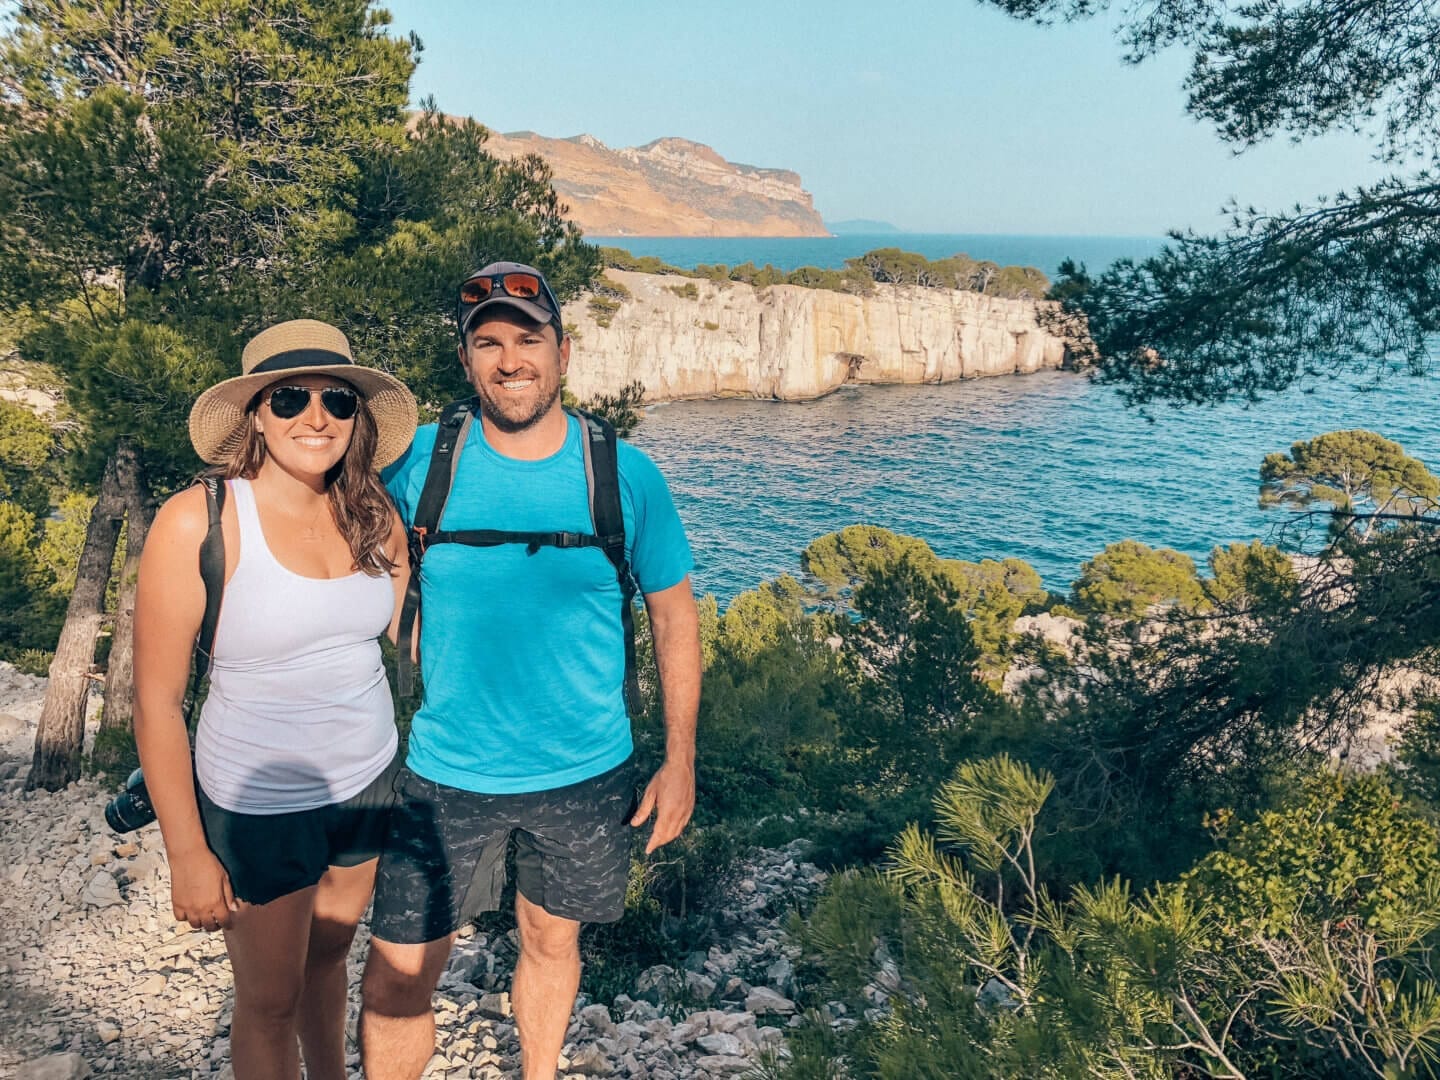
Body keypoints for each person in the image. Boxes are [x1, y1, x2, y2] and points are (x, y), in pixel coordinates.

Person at [360, 262, 702, 1080]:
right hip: (447, 769)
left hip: (586, 772)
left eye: (527, 339)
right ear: (466, 362)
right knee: (399, 972)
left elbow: (673, 617)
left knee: (553, 940)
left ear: (564, 351)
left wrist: (680, 759)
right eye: (488, 344)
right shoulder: (419, 472)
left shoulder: (623, 474)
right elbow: (351, 576)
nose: (510, 360)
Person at [133, 319, 418, 1080]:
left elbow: (406, 641)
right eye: (289, 398)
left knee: (328, 964)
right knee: (267, 1003)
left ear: (357, 418)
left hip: (368, 783)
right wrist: (188, 853)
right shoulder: (199, 521)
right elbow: (156, 705)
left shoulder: (374, 514)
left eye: (336, 400)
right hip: (258, 805)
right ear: (256, 415)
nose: (315, 417)